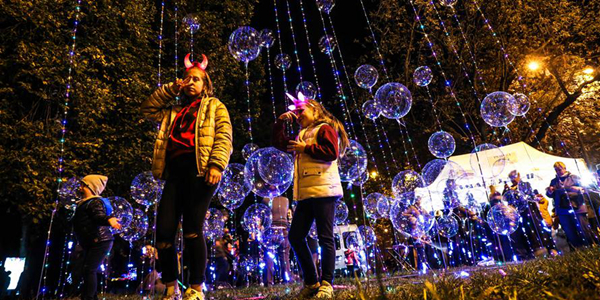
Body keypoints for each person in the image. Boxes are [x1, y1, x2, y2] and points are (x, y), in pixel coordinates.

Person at [141, 53, 233, 300]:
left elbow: (224, 137)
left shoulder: (215, 106)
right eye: (187, 78)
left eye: (196, 79)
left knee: (193, 230)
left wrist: (216, 165)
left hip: (200, 172)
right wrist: (172, 88)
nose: (191, 82)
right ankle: (171, 288)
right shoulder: (172, 111)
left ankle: (196, 288)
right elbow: (148, 108)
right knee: (163, 234)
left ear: (205, 85)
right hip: (174, 173)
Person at [272, 93, 349, 299]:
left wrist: (306, 148)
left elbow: (331, 151)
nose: (297, 115)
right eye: (295, 112)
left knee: (325, 237)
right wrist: (280, 122)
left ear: (315, 110)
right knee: (295, 236)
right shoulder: (301, 134)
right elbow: (281, 143)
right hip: (306, 193)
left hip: (324, 190)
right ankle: (311, 281)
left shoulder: (325, 128)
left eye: (301, 111)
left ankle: (327, 284)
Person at [72, 175, 121, 300]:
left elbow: (98, 215)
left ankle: (88, 297)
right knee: (86, 269)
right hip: (92, 241)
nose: (80, 187)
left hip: (100, 240)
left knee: (89, 269)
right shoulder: (84, 203)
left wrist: (109, 219)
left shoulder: (94, 202)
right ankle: (91, 296)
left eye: (83, 185)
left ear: (89, 186)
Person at [504, 170, 556, 257]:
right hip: (520, 214)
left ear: (519, 176)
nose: (513, 179)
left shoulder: (525, 184)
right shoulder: (509, 188)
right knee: (527, 232)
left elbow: (529, 195)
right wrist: (508, 191)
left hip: (530, 211)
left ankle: (549, 247)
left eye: (514, 177)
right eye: (511, 178)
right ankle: (533, 250)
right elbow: (507, 199)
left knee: (538, 229)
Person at [546, 162, 594, 248]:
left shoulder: (574, 178)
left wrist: (578, 189)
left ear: (564, 168)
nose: (558, 171)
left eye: (559, 169)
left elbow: (586, 189)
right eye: (556, 170)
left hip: (578, 207)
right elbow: (550, 195)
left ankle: (589, 246)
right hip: (562, 210)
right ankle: (578, 249)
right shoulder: (554, 181)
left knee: (583, 229)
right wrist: (549, 191)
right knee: (569, 231)